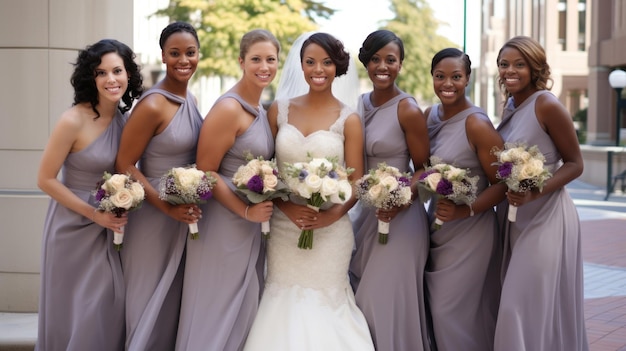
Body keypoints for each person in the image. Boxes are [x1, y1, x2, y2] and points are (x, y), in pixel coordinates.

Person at [243, 32, 374, 350]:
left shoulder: (349, 119)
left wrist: (331, 216)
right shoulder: (279, 110)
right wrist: (286, 207)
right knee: (281, 300)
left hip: (330, 230)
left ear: (337, 66)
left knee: (326, 304)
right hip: (283, 228)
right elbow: (265, 169)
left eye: (327, 62)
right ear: (300, 66)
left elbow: (357, 182)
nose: (318, 69)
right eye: (310, 62)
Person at [36, 39, 143, 350]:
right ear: (90, 78)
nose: (111, 79)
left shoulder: (126, 119)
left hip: (111, 223)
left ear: (128, 74)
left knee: (109, 304)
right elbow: (45, 179)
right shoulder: (73, 120)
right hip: (72, 227)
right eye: (101, 73)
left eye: (117, 71)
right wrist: (95, 214)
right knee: (81, 310)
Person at [175, 28, 278, 351]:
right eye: (256, 59)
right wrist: (245, 210)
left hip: (248, 224)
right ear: (241, 61)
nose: (264, 66)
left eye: (271, 59)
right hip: (224, 222)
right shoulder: (229, 108)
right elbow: (206, 170)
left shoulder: (261, 109)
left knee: (242, 309)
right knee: (215, 308)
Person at [494, 36, 588, 351]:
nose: (510, 71)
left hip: (548, 218)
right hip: (515, 220)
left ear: (535, 67)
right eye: (505, 64)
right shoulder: (510, 105)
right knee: (533, 308)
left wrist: (536, 191)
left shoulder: (546, 104)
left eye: (519, 64)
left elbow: (575, 164)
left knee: (515, 307)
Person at [115, 22, 203, 351]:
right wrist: (166, 206)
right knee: (146, 301)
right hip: (153, 217)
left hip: (182, 214)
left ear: (198, 55)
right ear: (163, 56)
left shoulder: (191, 98)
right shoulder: (152, 104)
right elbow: (124, 164)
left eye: (190, 53)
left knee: (172, 304)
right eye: (175, 53)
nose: (184, 60)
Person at [348, 30, 432, 351]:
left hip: (402, 220)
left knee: (380, 301)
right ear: (366, 63)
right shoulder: (358, 104)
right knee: (361, 298)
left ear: (401, 64)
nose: (383, 66)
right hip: (367, 216)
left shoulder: (407, 109)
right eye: (375, 59)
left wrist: (398, 199)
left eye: (390, 60)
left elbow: (424, 169)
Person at [423, 48, 505, 351]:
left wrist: (466, 210)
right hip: (438, 225)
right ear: (432, 77)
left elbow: (502, 183)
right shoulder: (428, 116)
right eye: (440, 76)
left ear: (467, 78)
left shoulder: (477, 124)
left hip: (472, 230)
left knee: (455, 311)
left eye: (456, 77)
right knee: (437, 309)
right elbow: (420, 166)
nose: (448, 83)